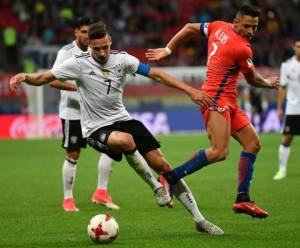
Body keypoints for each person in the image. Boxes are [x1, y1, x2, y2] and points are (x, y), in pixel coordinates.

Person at [9, 21, 224, 235]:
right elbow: (44, 77)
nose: (102, 53)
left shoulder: (122, 60)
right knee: (125, 141)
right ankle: (156, 188)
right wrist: (25, 77)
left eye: (105, 47)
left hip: (122, 119)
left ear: (110, 41)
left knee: (165, 167)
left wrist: (189, 90)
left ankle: (200, 220)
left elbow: (156, 75)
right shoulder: (77, 63)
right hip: (94, 128)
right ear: (89, 46)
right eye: (96, 48)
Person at [146, 4, 279, 218]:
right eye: (247, 26)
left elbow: (189, 27)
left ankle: (243, 199)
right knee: (219, 151)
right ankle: (169, 177)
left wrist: (168, 49)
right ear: (235, 23)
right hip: (216, 98)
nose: (251, 32)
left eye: (255, 27)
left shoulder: (218, 27)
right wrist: (269, 83)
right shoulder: (243, 48)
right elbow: (253, 80)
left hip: (229, 100)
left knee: (253, 143)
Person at [48, 17, 119, 212]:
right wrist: (80, 87)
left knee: (112, 148)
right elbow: (53, 81)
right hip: (73, 113)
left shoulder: (96, 51)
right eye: (84, 32)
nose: (87, 36)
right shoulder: (66, 53)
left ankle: (101, 192)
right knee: (73, 153)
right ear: (76, 32)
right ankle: (68, 199)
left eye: (89, 32)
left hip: (96, 114)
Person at [273, 37, 300, 180]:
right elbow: (282, 87)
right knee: (287, 138)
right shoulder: (287, 65)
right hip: (293, 108)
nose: (299, 49)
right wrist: (279, 107)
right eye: (298, 46)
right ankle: (281, 170)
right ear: (294, 48)